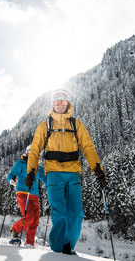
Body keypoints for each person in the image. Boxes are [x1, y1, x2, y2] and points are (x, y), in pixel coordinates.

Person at [25, 89, 106, 255]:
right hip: (53, 173)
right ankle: (58, 250)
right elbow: (34, 151)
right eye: (56, 102)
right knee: (59, 213)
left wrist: (97, 168)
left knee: (76, 214)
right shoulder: (45, 125)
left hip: (73, 172)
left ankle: (69, 245)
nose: (60, 105)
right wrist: (31, 171)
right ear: (52, 104)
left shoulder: (76, 125)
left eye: (63, 101)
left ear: (67, 103)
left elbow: (88, 147)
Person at [6, 145, 45, 247]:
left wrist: (54, 184)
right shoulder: (20, 163)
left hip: (34, 194)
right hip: (22, 192)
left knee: (35, 220)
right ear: (27, 152)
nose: (33, 154)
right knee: (29, 217)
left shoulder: (38, 167)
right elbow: (11, 175)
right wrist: (11, 180)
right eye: (30, 152)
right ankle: (14, 231)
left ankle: (30, 243)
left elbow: (46, 179)